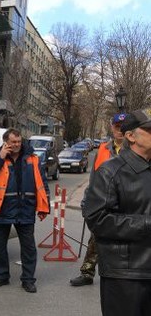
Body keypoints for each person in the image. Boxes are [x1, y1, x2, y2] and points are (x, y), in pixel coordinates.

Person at [83, 108, 151, 315]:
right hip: (125, 275)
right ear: (130, 136)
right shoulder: (110, 171)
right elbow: (97, 219)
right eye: (148, 130)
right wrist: (147, 224)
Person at [0, 128, 50, 293]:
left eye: (19, 142)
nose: (17, 145)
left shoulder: (33, 158)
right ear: (6, 143)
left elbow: (42, 183)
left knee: (28, 248)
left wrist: (44, 207)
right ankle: (2, 276)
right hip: (1, 209)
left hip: (25, 209)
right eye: (13, 142)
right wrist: (0, 157)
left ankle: (28, 280)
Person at [70, 113, 127, 286]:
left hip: (126, 203)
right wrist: (87, 200)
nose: (120, 130)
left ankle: (122, 276)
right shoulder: (103, 149)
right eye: (117, 126)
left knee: (124, 241)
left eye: (123, 126)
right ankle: (87, 273)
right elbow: (94, 178)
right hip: (103, 202)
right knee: (95, 238)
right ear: (112, 127)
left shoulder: (136, 148)